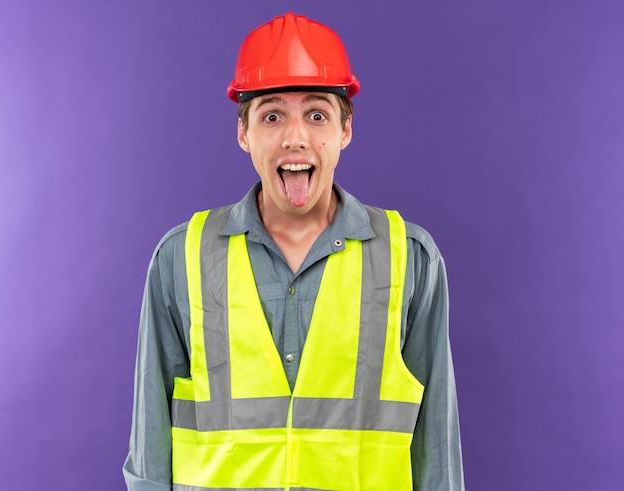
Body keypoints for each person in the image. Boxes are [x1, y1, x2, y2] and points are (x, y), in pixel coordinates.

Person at [123, 12, 464, 491]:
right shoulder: (181, 258)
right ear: (244, 133)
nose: (295, 137)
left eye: (317, 114)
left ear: (346, 130)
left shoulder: (411, 259)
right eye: (272, 115)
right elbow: (149, 458)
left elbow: (438, 456)